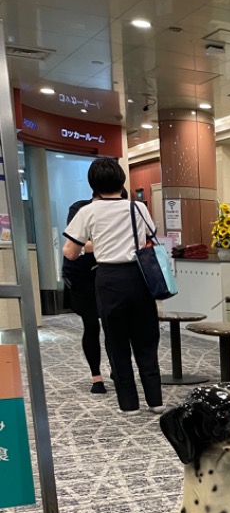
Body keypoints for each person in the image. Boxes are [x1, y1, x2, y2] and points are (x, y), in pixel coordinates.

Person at [62, 158, 163, 414]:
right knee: (146, 339)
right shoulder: (138, 207)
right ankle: (155, 400)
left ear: (92, 184)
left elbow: (70, 252)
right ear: (122, 181)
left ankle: (129, 404)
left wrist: (93, 244)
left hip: (108, 279)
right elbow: (150, 240)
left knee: (116, 341)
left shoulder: (87, 211)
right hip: (139, 278)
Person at [62, 196, 107, 394]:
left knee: (113, 324)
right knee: (91, 324)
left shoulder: (121, 209)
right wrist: (111, 243)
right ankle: (96, 377)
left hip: (107, 272)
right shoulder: (80, 209)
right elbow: (76, 246)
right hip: (81, 275)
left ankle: (117, 369)